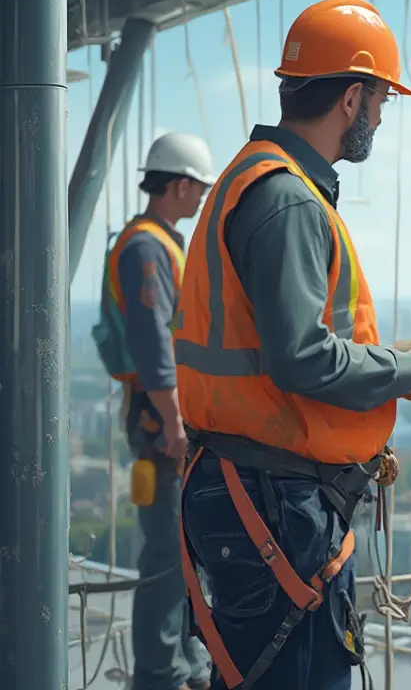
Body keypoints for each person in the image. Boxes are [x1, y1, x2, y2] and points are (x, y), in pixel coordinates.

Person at [173, 0, 411, 690]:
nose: (382, 116)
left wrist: (394, 362)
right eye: (381, 98)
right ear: (351, 97)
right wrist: (400, 371)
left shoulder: (254, 177)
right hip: (272, 495)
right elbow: (298, 356)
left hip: (245, 485)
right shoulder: (288, 198)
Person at [91, 131, 216, 690]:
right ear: (181, 185)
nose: (200, 199)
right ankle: (160, 674)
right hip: (160, 421)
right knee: (168, 556)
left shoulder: (159, 242)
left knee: (183, 549)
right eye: (198, 188)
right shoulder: (148, 248)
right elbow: (154, 346)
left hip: (160, 417)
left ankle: (185, 661)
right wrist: (173, 424)